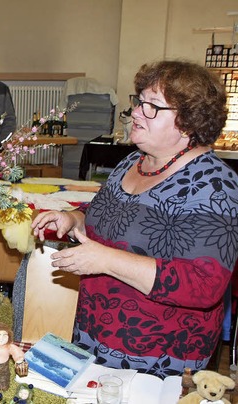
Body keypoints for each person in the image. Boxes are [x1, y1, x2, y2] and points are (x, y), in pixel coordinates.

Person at [31, 60, 238, 378]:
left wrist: (106, 260)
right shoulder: (133, 161)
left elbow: (204, 284)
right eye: (139, 101)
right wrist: (73, 219)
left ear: (188, 121)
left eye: (152, 106)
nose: (137, 112)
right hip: (95, 337)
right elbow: (105, 219)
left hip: (159, 359)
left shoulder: (214, 184)